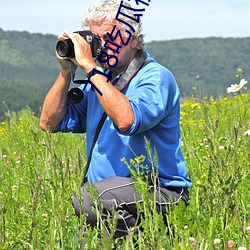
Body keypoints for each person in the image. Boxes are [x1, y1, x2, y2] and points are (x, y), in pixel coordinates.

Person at [40, 0, 192, 244]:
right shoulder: (99, 81)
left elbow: (127, 120)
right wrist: (66, 70)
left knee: (88, 200)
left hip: (160, 192)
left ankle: (147, 241)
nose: (100, 47)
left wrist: (90, 67)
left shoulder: (155, 77)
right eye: (94, 38)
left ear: (132, 39)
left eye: (109, 38)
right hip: (110, 199)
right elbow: (49, 123)